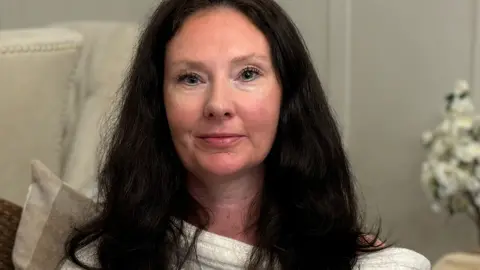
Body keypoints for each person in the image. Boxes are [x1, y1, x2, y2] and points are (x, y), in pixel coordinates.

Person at [63, 0, 431, 269]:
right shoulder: (99, 259)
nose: (219, 105)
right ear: (158, 103)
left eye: (248, 74)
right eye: (191, 78)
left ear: (286, 96)